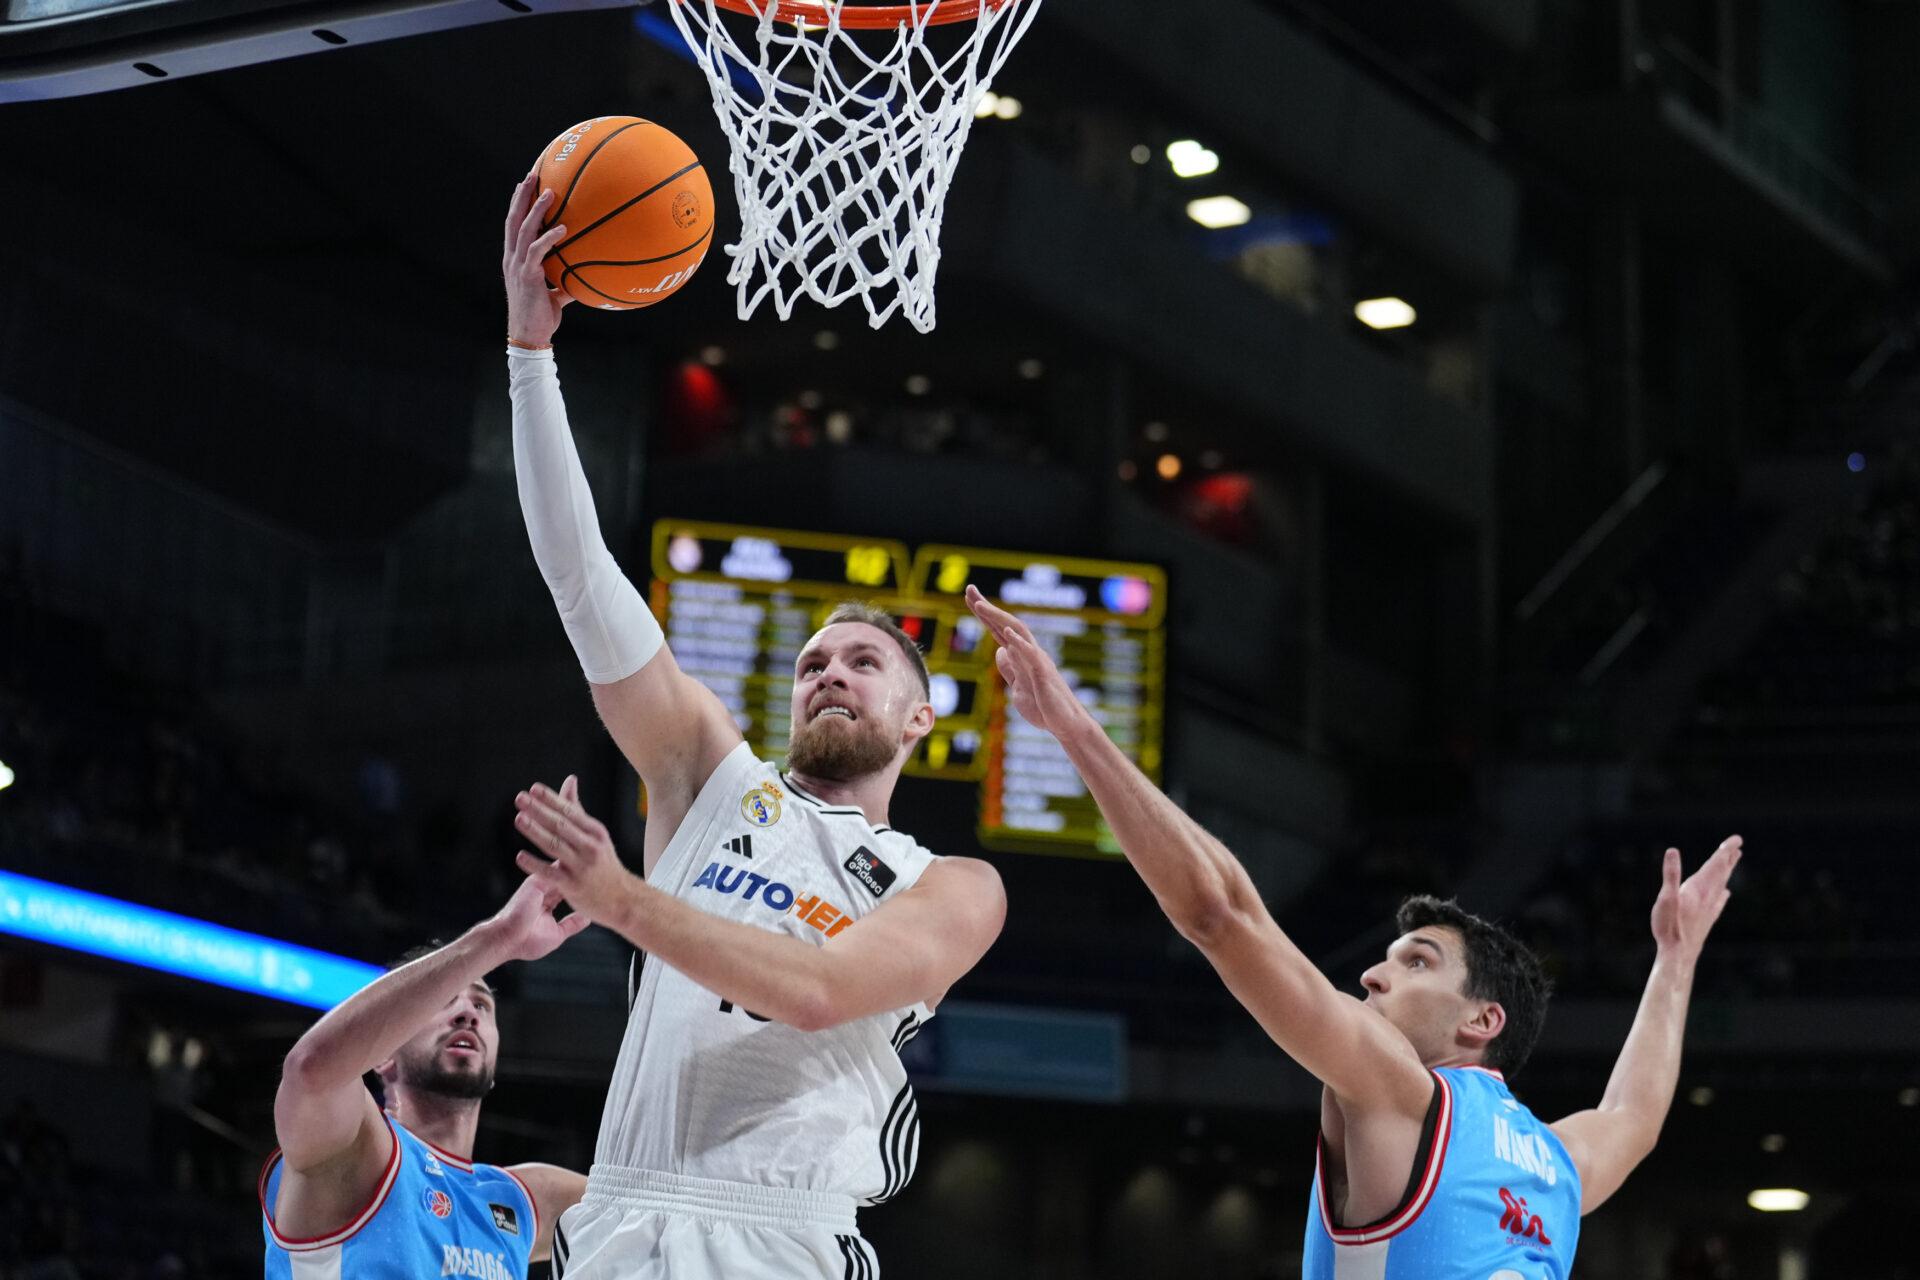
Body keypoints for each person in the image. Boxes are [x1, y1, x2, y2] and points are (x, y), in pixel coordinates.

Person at [499, 171, 1008, 1280]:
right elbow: (583, 585)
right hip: (623, 1220)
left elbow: (820, 990)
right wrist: (530, 357)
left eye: (863, 661)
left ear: (920, 717)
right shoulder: (708, 781)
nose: (829, 672)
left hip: (781, 1234)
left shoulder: (949, 883)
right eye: (814, 660)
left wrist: (620, 894)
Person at [965, 587, 1743, 1280]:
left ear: (1482, 1018)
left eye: (1415, 962)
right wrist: (1676, 958)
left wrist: (1073, 728)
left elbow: (1220, 915)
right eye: (1385, 959)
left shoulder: (1401, 1090)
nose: (1372, 976)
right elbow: (1634, 1118)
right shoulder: (1557, 1166)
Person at [262, 877, 590, 1278]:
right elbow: (310, 1070)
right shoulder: (355, 1149)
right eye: (445, 1001)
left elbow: (657, 1203)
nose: (468, 1013)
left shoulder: (518, 1199)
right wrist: (498, 939)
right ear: (382, 1054)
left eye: (483, 1005)